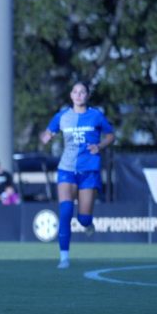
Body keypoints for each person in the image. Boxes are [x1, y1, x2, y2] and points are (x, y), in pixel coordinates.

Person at [40, 81, 115, 269]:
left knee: (83, 219)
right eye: (75, 92)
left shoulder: (96, 116)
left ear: (87, 96)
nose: (79, 95)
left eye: (83, 92)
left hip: (89, 171)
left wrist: (100, 146)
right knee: (65, 212)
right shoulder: (62, 116)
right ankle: (64, 257)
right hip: (66, 170)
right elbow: (47, 133)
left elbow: (111, 135)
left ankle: (88, 223)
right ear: (71, 96)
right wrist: (46, 138)